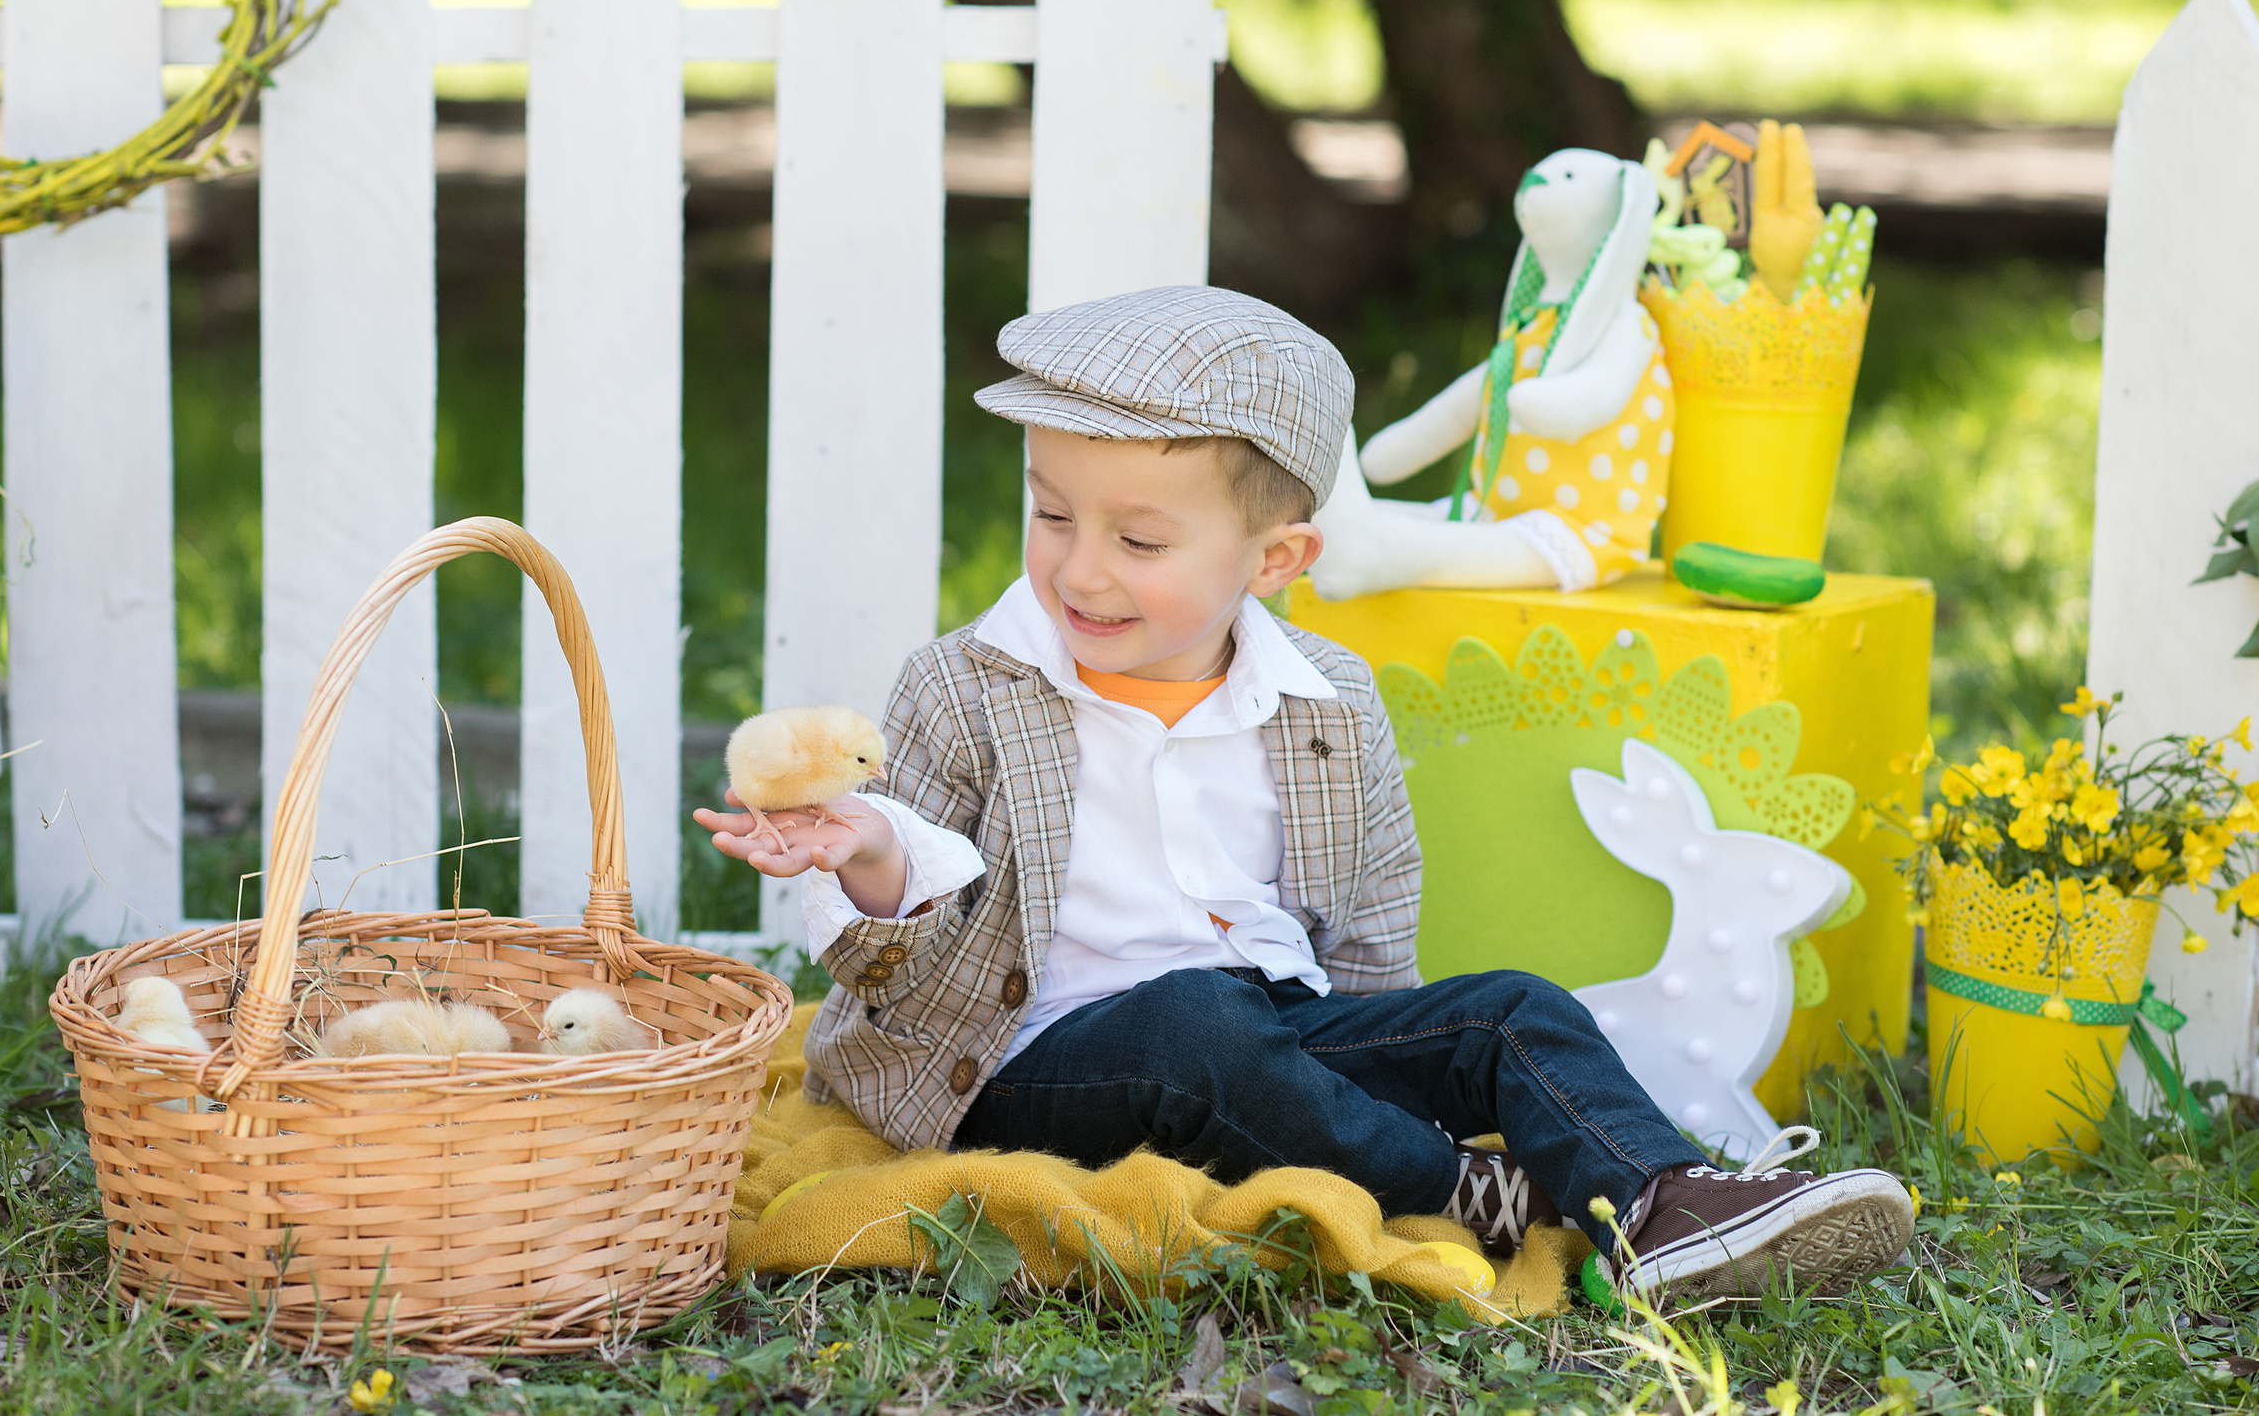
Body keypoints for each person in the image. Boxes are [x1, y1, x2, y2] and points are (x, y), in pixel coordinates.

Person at [697, 285, 1914, 1301]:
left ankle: (1663, 1201)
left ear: (1274, 561)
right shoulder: (967, 685)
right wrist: (869, 853)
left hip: (1267, 1021)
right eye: (1052, 513)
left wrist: (1378, 1064)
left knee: (1507, 1010)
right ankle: (1470, 1189)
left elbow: (1375, 912)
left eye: (1140, 540)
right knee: (1195, 1027)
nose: (1079, 566)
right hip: (1025, 1056)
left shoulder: (1323, 695)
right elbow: (904, 923)